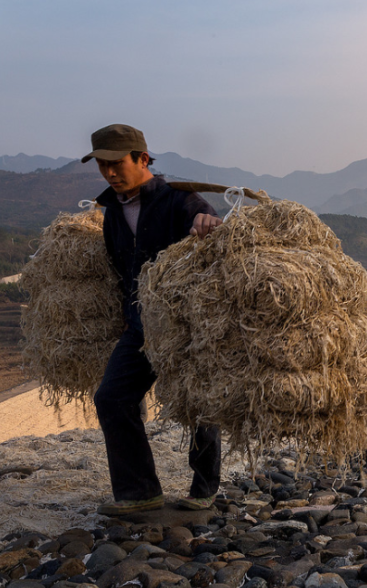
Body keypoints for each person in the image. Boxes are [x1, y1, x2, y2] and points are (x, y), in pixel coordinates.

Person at [84, 124, 225, 516]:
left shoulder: (180, 202)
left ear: (142, 159)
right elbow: (120, 267)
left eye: (116, 164)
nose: (110, 173)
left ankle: (204, 487)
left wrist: (208, 226)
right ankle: (139, 492)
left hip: (184, 330)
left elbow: (215, 243)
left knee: (197, 403)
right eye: (102, 165)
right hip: (140, 327)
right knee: (112, 398)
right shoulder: (112, 212)